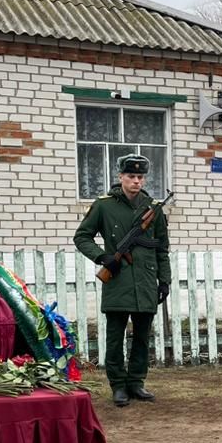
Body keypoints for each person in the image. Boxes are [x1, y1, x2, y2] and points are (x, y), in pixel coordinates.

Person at [74, 154, 171, 407]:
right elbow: (82, 237)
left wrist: (165, 280)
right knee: (115, 337)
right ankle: (118, 385)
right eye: (131, 177)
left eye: (140, 177)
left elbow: (161, 247)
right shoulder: (104, 206)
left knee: (142, 336)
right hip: (117, 279)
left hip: (146, 280)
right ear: (120, 177)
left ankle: (136, 382)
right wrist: (103, 257)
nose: (136, 181)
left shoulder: (153, 207)